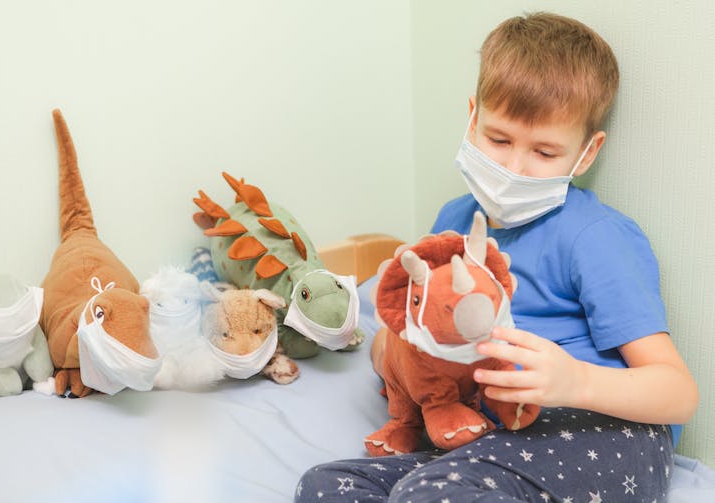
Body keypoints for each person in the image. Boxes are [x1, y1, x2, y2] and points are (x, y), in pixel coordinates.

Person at [294, 11, 698, 503]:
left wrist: (574, 383)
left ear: (586, 155)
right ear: (472, 118)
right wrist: (395, 351)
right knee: (326, 485)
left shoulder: (594, 236)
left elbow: (678, 393)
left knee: (436, 490)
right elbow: (419, 330)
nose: (513, 166)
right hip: (488, 437)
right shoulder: (452, 225)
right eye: (499, 139)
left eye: (545, 153)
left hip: (599, 430)